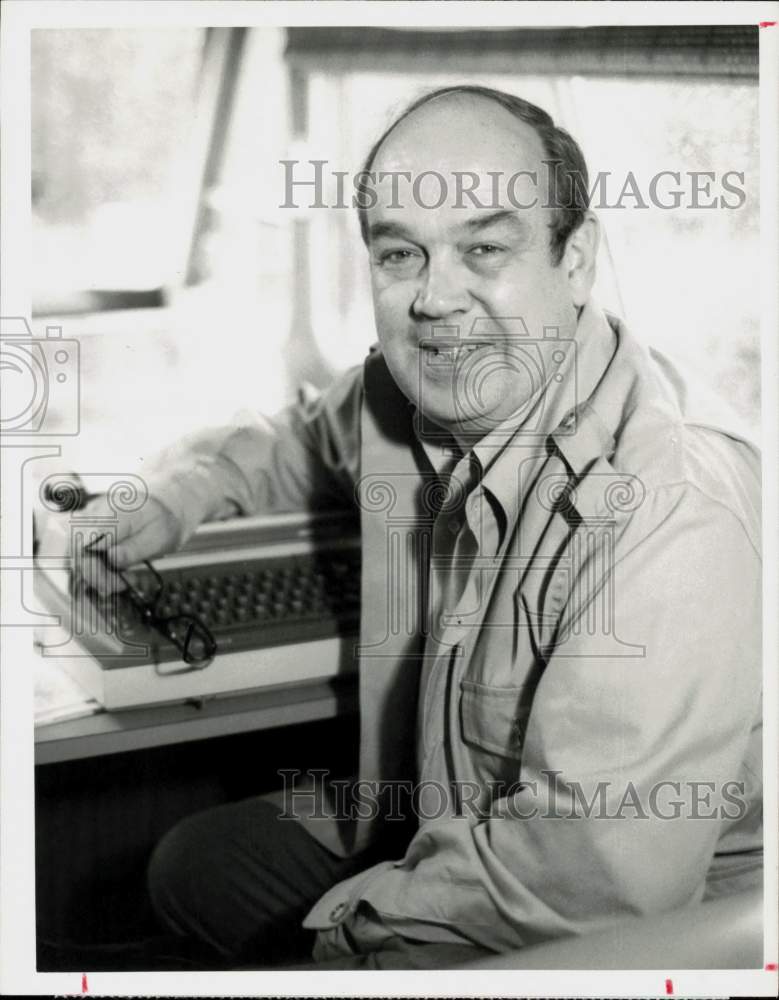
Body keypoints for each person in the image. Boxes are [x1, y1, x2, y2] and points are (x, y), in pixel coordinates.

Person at [79, 85, 762, 969]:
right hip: (433, 817)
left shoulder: (672, 509)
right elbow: (294, 439)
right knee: (194, 865)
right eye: (400, 254)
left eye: (484, 248)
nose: (436, 300)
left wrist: (328, 950)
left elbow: (570, 902)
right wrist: (172, 498)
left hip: (623, 940)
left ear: (577, 259)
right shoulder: (420, 391)